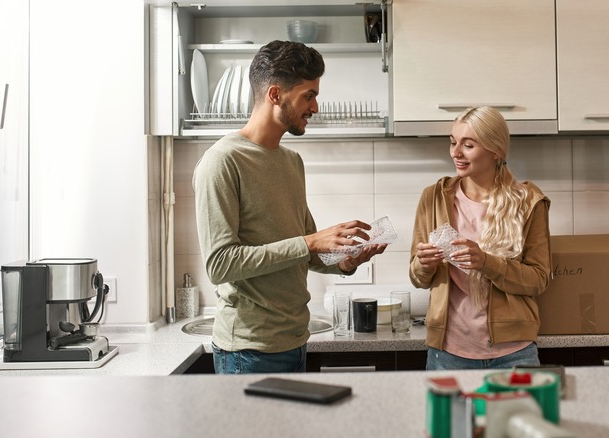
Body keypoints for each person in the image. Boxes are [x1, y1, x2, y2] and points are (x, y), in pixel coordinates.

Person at [193, 40, 386, 374]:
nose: (315, 107)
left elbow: (305, 251)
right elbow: (220, 264)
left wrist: (343, 261)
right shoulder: (222, 161)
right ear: (275, 95)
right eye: (308, 95)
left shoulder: (292, 161)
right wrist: (310, 242)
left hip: (295, 340)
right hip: (248, 350)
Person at [409, 106, 552, 370]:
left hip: (515, 354)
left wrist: (486, 262)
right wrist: (423, 264)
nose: (456, 152)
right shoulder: (433, 198)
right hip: (448, 353)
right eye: (453, 143)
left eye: (468, 145)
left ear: (495, 150)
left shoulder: (529, 202)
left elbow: (538, 279)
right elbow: (418, 278)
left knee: (516, 414)